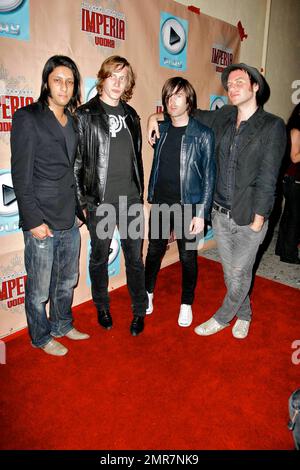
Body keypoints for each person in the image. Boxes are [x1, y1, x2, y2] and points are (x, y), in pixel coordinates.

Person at [148, 63, 286, 339]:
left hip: (250, 215)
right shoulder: (223, 117)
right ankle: (244, 314)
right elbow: (188, 113)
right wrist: (155, 115)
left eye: (239, 82)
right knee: (232, 274)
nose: (232, 87)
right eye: (229, 84)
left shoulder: (272, 126)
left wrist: (259, 219)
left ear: (256, 86)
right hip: (221, 213)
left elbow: (269, 177)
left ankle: (222, 318)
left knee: (237, 272)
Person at [11, 55, 89, 357]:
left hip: (69, 217)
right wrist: (32, 220)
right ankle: (41, 336)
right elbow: (20, 174)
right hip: (41, 218)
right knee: (39, 288)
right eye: (58, 80)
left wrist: (79, 212)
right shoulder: (28, 117)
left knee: (67, 280)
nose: (64, 86)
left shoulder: (73, 121)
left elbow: (74, 169)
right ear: (46, 82)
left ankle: (61, 323)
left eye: (70, 82)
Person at [74, 55, 147, 336]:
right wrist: (82, 205)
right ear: (102, 78)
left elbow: (136, 159)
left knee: (134, 259)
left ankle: (139, 310)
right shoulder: (85, 115)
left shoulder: (132, 115)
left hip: (130, 200)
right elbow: (76, 164)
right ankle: (102, 306)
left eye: (123, 78)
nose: (118, 83)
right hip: (100, 203)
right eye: (113, 77)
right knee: (99, 257)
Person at [145, 77, 215, 327]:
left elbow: (209, 176)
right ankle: (147, 294)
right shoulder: (161, 129)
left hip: (190, 206)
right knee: (154, 250)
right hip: (162, 203)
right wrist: (153, 118)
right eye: (168, 96)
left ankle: (186, 304)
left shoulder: (203, 134)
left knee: (187, 257)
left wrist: (201, 213)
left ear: (189, 100)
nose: (172, 101)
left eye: (178, 96)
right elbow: (154, 119)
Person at [275, 103, 300, 264]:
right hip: (294, 181)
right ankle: (289, 254)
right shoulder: (296, 131)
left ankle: (282, 250)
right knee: (295, 219)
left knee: (289, 215)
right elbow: (295, 157)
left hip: (293, 180)